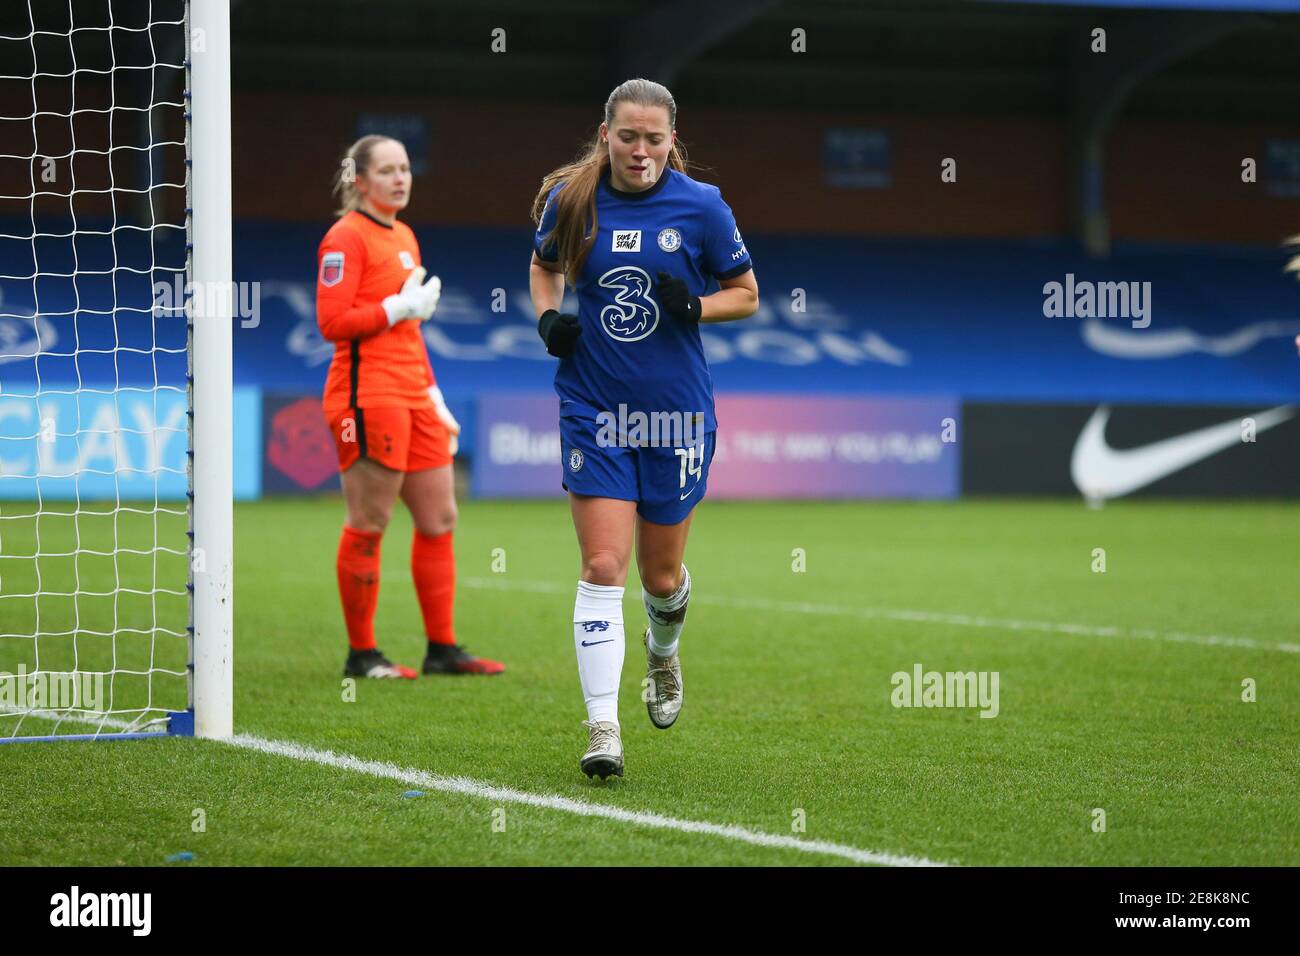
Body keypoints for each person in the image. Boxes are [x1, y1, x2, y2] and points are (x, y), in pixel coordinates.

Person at [528, 79, 759, 778]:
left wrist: (695, 307)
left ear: (672, 140)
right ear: (605, 135)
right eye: (627, 136)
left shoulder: (703, 207)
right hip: (593, 407)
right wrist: (548, 318)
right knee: (603, 566)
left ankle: (662, 655)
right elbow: (543, 269)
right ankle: (602, 727)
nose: (640, 151)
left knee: (661, 580)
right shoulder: (571, 199)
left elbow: (746, 295)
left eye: (653, 139)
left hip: (676, 415)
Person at [316, 134, 505, 679]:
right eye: (388, 170)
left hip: (411, 391)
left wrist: (433, 393)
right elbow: (333, 324)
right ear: (360, 179)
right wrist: (398, 305)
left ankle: (442, 649)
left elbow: (409, 333)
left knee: (440, 516)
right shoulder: (344, 238)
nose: (401, 179)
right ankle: (362, 655)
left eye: (405, 169)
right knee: (370, 520)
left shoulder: (404, 235)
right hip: (366, 395)